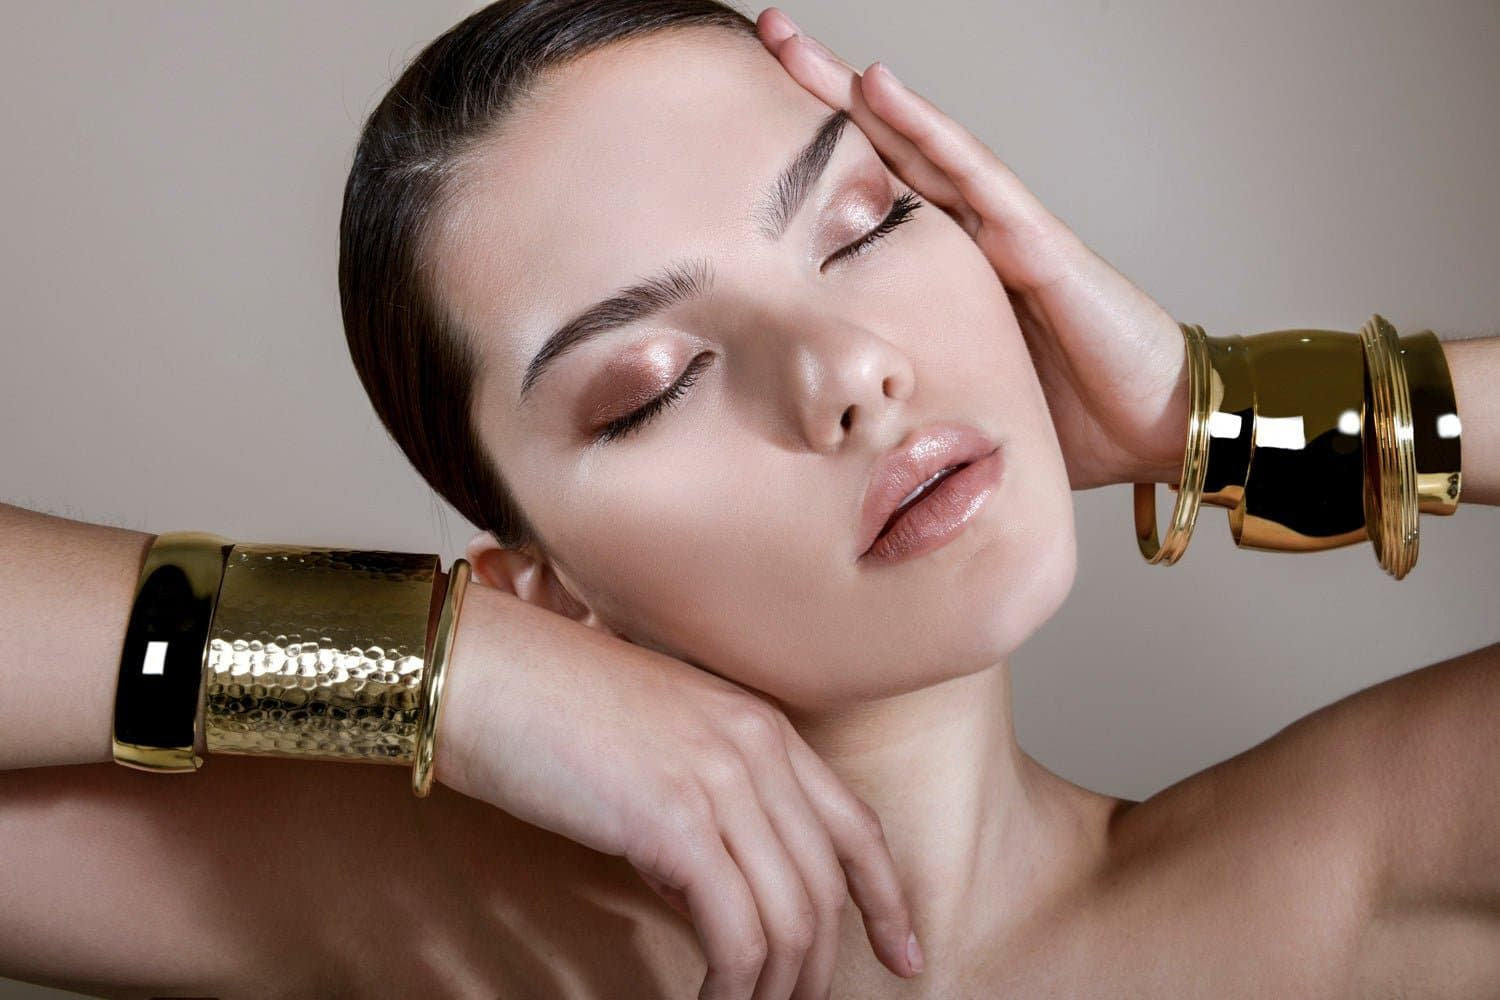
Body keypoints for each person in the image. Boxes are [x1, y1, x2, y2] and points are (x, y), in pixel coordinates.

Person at [2, 1, 1496, 997]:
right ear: (542, 582)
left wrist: (1229, 411)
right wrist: (438, 670)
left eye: (864, 226)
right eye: (652, 381)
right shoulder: (471, 937)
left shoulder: (1363, 870)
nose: (847, 368)